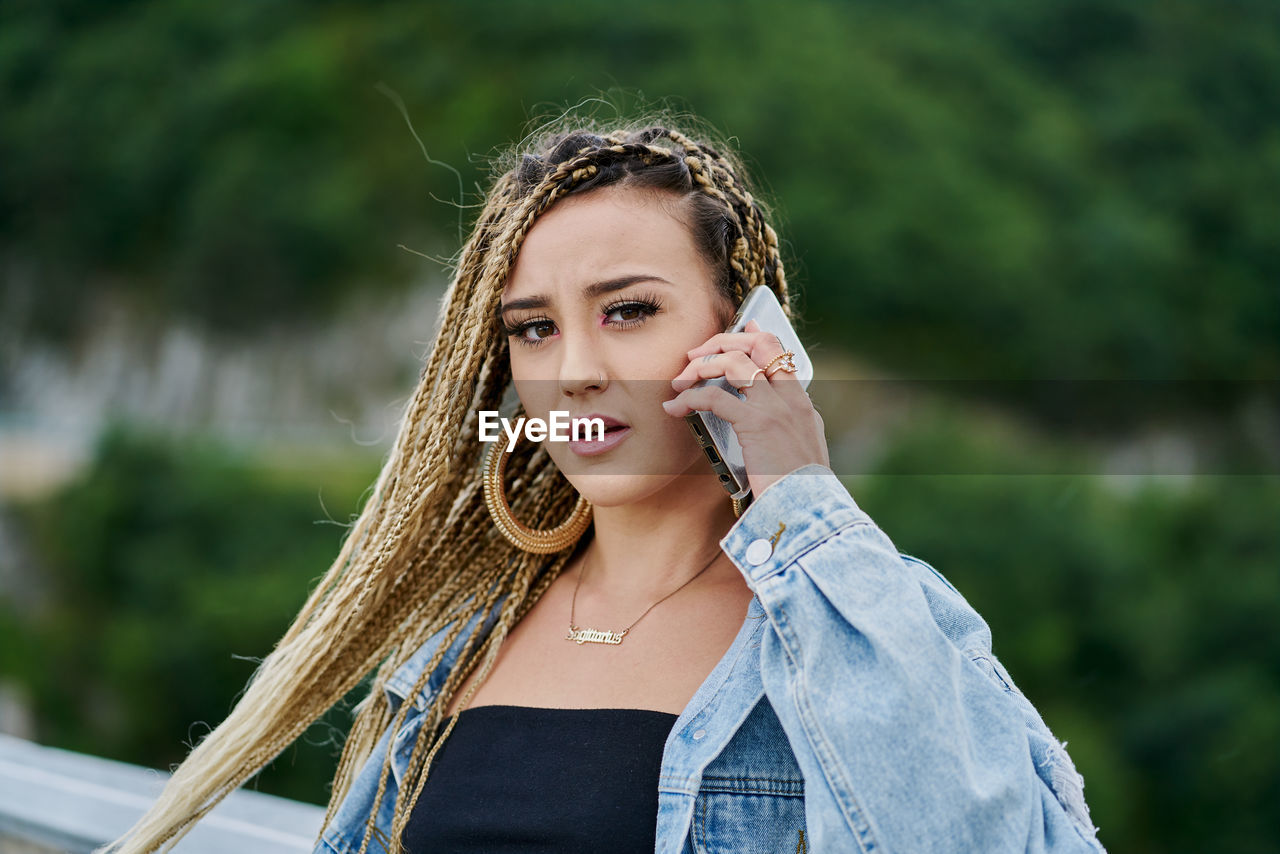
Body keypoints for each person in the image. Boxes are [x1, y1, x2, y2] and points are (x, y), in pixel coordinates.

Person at [101, 119, 1106, 854]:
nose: (573, 365)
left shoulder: (856, 622)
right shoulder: (455, 649)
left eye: (626, 310)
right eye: (533, 327)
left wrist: (799, 496)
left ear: (745, 330)